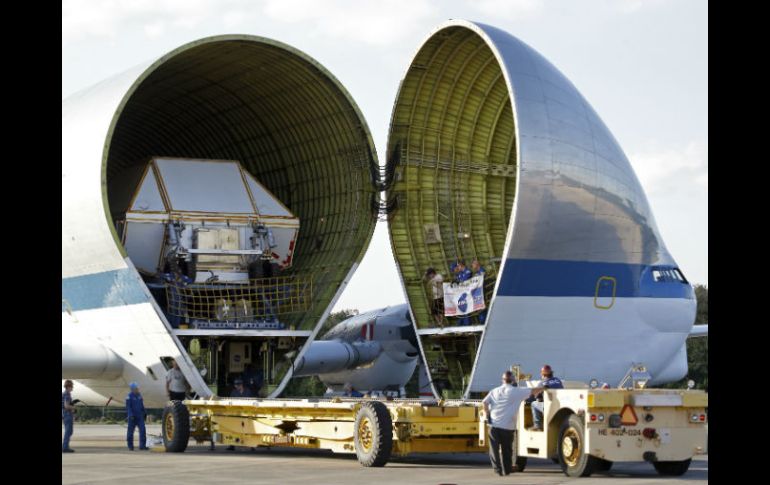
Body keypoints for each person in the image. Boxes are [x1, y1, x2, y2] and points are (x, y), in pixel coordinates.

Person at [482, 371, 539, 476]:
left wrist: (487, 414)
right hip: (507, 427)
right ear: (512, 380)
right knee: (507, 450)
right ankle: (507, 469)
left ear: (502, 380)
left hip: (493, 425)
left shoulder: (494, 391)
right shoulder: (516, 391)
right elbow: (533, 391)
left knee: (494, 450)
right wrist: (545, 386)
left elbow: (484, 402)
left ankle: (497, 470)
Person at [527, 364, 564, 431]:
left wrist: (528, 400)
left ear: (543, 374)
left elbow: (536, 396)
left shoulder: (543, 383)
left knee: (533, 404)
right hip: (561, 406)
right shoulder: (558, 380)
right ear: (551, 373)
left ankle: (537, 425)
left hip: (549, 407)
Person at [125, 382, 148, 451]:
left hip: (140, 416)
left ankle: (142, 446)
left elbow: (142, 405)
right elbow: (128, 407)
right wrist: (131, 415)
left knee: (143, 430)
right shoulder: (129, 397)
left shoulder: (139, 396)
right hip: (132, 417)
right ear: (133, 389)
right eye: (136, 388)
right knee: (130, 432)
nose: (138, 389)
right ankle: (130, 446)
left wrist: (144, 413)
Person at [453, 260, 472, 325]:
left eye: (458, 266)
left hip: (467, 294)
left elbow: (464, 281)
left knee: (466, 310)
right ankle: (460, 326)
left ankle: (467, 326)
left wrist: (459, 282)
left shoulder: (468, 271)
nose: (458, 267)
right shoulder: (460, 274)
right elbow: (458, 281)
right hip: (461, 294)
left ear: (461, 265)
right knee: (461, 310)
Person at [62, 380, 77, 453]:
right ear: (68, 387)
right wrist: (73, 408)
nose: (72, 388)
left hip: (66, 415)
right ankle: (65, 447)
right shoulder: (67, 394)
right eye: (71, 386)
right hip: (67, 415)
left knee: (69, 431)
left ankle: (66, 446)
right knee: (68, 432)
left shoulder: (65, 394)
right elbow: (66, 406)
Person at [471, 259, 487, 324]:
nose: (472, 266)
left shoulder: (482, 271)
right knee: (480, 309)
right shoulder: (476, 273)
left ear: (476, 264)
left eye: (473, 265)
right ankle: (482, 321)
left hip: (482, 293)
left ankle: (484, 322)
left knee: (482, 309)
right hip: (479, 294)